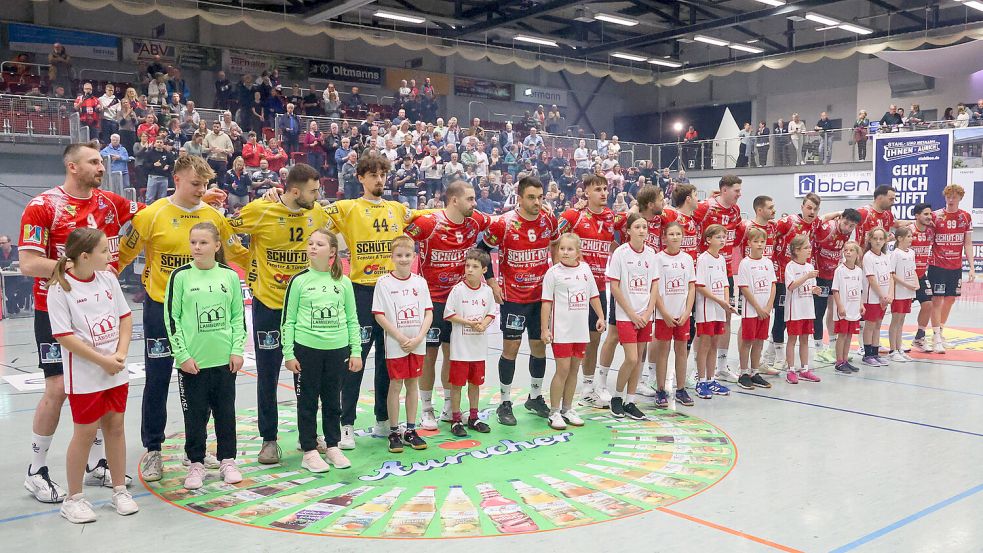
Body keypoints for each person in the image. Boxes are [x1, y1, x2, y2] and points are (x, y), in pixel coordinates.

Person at [19, 142, 145, 504]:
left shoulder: (108, 202)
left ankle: (95, 464)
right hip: (55, 310)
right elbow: (29, 263)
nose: (101, 167)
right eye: (93, 161)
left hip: (99, 311)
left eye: (102, 161)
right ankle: (36, 470)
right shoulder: (43, 206)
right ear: (72, 167)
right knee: (58, 388)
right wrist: (78, 271)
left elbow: (151, 213)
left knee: (100, 383)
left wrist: (195, 195)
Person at [118, 155, 248, 482]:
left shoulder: (213, 218)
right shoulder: (151, 216)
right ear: (176, 179)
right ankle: (154, 450)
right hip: (162, 310)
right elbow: (121, 256)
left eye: (205, 184)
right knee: (158, 378)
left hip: (205, 317)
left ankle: (201, 453)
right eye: (194, 184)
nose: (201, 190)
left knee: (206, 383)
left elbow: (237, 254)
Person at [320, 154, 430, 446]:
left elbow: (434, 215)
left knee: (387, 361)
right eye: (372, 175)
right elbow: (310, 214)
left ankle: (384, 421)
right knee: (355, 360)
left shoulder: (398, 209)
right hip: (362, 292)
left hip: (392, 294)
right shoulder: (347, 208)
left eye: (382, 174)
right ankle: (346, 425)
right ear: (360, 178)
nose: (379, 179)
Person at [231, 164, 327, 464]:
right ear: (295, 191)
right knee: (268, 375)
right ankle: (269, 440)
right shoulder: (261, 210)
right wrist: (249, 263)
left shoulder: (318, 214)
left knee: (307, 375)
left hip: (304, 308)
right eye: (313, 191)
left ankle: (307, 435)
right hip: (269, 306)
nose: (318, 196)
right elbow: (225, 229)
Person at [47, 228, 137, 523]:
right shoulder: (60, 289)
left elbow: (125, 317)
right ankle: (73, 499)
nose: (110, 256)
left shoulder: (108, 279)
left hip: (115, 369)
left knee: (115, 427)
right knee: (85, 434)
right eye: (104, 251)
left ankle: (120, 491)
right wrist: (103, 361)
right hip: (86, 373)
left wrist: (120, 354)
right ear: (85, 256)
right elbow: (65, 337)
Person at [404, 181, 492, 430]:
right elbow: (400, 234)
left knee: (452, 355)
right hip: (432, 301)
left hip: (460, 301)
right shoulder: (430, 223)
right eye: (470, 199)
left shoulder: (474, 221)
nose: (475, 204)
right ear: (454, 200)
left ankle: (447, 406)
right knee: (429, 355)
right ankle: (427, 408)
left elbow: (499, 221)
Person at [164, 222, 245, 490]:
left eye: (203, 243)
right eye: (193, 243)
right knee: (195, 415)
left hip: (224, 360)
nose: (197, 248)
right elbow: (172, 319)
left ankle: (228, 460)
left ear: (217, 246)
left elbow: (237, 317)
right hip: (193, 364)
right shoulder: (180, 276)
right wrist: (182, 355)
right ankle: (196, 463)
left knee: (225, 413)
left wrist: (236, 350)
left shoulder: (229, 276)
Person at [481, 177, 560, 426]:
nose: (537, 202)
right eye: (531, 197)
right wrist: (492, 283)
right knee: (511, 350)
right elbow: (482, 250)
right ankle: (505, 403)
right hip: (514, 298)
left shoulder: (548, 219)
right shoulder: (504, 223)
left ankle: (534, 397)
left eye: (540, 197)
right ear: (519, 197)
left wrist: (557, 272)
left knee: (539, 347)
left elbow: (556, 242)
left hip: (541, 298)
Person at [282, 228, 362, 473]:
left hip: (337, 350)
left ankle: (333, 445)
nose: (313, 247)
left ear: (332, 251)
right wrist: (289, 353)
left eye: (319, 244)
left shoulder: (343, 282)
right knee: (306, 402)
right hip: (307, 351)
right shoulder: (299, 280)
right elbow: (289, 319)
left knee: (332, 401)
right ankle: (309, 450)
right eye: (310, 243)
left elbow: (352, 319)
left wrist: (356, 351)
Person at [561, 175, 627, 409]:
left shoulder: (611, 217)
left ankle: (588, 388)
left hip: (598, 288)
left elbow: (635, 220)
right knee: (569, 341)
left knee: (593, 339)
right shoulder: (573, 216)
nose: (602, 193)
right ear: (585, 192)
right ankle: (564, 389)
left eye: (605, 188)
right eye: (597, 189)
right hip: (572, 289)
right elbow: (551, 237)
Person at [372, 236, 433, 453]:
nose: (404, 259)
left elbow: (428, 313)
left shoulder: (420, 282)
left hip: (417, 343)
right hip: (396, 344)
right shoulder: (384, 283)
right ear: (392, 257)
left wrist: (418, 338)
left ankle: (410, 429)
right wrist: (399, 337)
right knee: (395, 385)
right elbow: (380, 315)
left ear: (414, 257)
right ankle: (394, 431)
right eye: (399, 255)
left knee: (412, 385)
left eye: (408, 255)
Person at [541, 233, 604, 429]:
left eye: (570, 249)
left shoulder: (585, 270)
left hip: (580, 331)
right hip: (561, 332)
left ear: (578, 252)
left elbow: (593, 295)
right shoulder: (553, 273)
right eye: (562, 249)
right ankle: (554, 412)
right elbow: (546, 304)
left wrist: (601, 316)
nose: (565, 252)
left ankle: (568, 409)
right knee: (563, 370)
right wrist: (545, 329)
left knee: (574, 369)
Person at [606, 213, 659, 420]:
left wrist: (647, 313)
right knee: (632, 358)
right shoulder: (620, 253)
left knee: (638, 362)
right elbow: (614, 286)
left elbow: (654, 285)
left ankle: (630, 401)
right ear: (628, 231)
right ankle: (617, 398)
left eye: (644, 227)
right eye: (637, 227)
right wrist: (631, 313)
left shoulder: (651, 254)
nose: (642, 230)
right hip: (626, 315)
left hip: (645, 315)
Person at [693, 175, 743, 383]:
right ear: (723, 189)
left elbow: (737, 238)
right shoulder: (705, 208)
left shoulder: (736, 211)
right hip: (705, 270)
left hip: (726, 271)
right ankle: (699, 370)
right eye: (736, 190)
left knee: (725, 319)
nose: (739, 194)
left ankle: (720, 366)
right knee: (703, 325)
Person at [764, 193, 822, 371]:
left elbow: (826, 218)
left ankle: (772, 353)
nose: (812, 212)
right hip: (781, 275)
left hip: (799, 276)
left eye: (815, 209)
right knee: (780, 316)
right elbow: (770, 229)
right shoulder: (787, 222)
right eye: (809, 208)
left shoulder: (815, 223)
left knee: (791, 322)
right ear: (802, 207)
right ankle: (779, 357)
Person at [443, 249, 496, 437]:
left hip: (478, 349)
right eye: (467, 266)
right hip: (460, 349)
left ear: (484, 270)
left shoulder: (487, 291)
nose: (470, 270)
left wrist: (484, 323)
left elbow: (491, 312)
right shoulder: (457, 290)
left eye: (475, 267)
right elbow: (448, 314)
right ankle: (456, 419)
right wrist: (469, 323)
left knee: (475, 384)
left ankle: (474, 417)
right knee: (457, 385)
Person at [651, 221, 696, 408]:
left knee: (681, 351)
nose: (675, 237)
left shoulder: (687, 259)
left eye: (678, 234)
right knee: (663, 352)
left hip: (682, 315)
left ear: (682, 237)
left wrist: (687, 312)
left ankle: (681, 389)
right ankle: (660, 390)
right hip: (665, 315)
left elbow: (691, 287)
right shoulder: (658, 259)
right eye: (671, 234)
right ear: (664, 238)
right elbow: (655, 289)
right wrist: (664, 312)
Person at [928, 184, 975, 353]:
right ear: (945, 197)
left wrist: (971, 267)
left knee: (950, 299)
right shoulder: (936, 216)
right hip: (937, 265)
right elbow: (929, 240)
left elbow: (967, 243)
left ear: (960, 198)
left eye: (954, 196)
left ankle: (940, 332)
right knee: (937, 300)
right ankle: (935, 337)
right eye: (948, 196)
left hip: (955, 266)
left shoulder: (966, 217)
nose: (951, 199)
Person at [811, 208, 861, 365]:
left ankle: (832, 348)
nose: (847, 228)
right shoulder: (828, 228)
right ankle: (818, 350)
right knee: (819, 312)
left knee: (834, 312)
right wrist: (835, 213)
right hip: (819, 275)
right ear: (840, 219)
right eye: (845, 223)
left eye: (851, 226)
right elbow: (816, 221)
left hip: (833, 275)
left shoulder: (847, 234)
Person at [694, 225, 735, 399]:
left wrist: (725, 303)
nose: (722, 240)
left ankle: (711, 380)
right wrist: (719, 301)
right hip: (706, 308)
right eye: (718, 237)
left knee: (714, 344)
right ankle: (701, 380)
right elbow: (700, 286)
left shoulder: (721, 260)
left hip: (719, 309)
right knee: (704, 344)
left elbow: (726, 284)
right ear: (708, 239)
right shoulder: (703, 259)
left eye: (723, 237)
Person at [734, 227, 776, 391]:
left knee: (759, 341)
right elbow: (744, 288)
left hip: (765, 310)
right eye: (756, 241)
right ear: (749, 243)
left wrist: (768, 305)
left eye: (762, 241)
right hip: (751, 310)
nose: (760, 245)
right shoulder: (745, 263)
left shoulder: (767, 262)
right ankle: (743, 373)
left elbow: (773, 285)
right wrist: (758, 308)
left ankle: (754, 372)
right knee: (747, 341)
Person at [784, 235, 821, 383]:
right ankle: (791, 370)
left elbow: (811, 286)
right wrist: (806, 276)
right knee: (792, 340)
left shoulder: (809, 266)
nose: (809, 250)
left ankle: (804, 369)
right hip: (795, 311)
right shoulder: (790, 267)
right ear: (796, 250)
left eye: (809, 247)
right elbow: (791, 286)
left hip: (807, 309)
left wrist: (815, 290)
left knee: (805, 339)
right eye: (806, 247)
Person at [861, 228, 893, 366]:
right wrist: (882, 296)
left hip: (884, 298)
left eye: (881, 238)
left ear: (885, 240)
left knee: (878, 325)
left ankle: (875, 352)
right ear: (870, 239)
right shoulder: (868, 257)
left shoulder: (886, 256)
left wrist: (889, 295)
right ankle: (867, 355)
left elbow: (891, 276)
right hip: (872, 298)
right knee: (870, 325)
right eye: (875, 238)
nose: (878, 241)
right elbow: (871, 279)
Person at [831, 241, 864, 374]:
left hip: (854, 309)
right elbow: (835, 290)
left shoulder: (859, 271)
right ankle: (839, 362)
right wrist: (840, 306)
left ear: (857, 254)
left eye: (851, 250)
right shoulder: (839, 270)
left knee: (850, 335)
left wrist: (861, 304)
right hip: (843, 310)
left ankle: (845, 360)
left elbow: (860, 289)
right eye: (846, 250)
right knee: (842, 335)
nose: (848, 252)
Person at [908, 203, 936, 353]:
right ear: (917, 215)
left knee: (928, 305)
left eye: (930, 214)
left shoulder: (931, 231)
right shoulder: (909, 230)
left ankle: (919, 338)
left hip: (921, 274)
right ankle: (895, 341)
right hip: (906, 277)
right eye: (925, 214)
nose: (929, 217)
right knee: (899, 311)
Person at [888, 227, 918, 363]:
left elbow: (913, 270)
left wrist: (916, 284)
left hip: (908, 292)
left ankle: (899, 349)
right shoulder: (896, 254)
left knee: (902, 321)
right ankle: (892, 350)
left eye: (912, 236)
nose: (911, 239)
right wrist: (906, 284)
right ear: (900, 238)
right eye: (908, 236)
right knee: (895, 320)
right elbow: (892, 274)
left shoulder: (911, 253)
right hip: (898, 292)